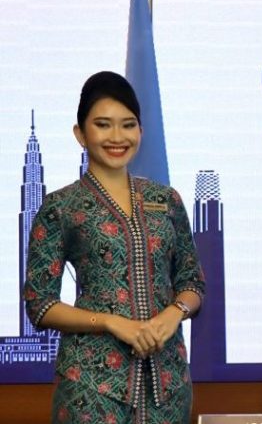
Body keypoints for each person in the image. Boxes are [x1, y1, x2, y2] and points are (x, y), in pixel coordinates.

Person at [23, 71, 205, 424]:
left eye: (128, 125)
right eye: (103, 125)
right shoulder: (61, 207)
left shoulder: (166, 200)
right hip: (91, 388)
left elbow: (192, 282)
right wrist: (111, 323)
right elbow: (40, 304)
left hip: (167, 385)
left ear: (141, 131)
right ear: (80, 133)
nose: (117, 137)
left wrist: (173, 314)